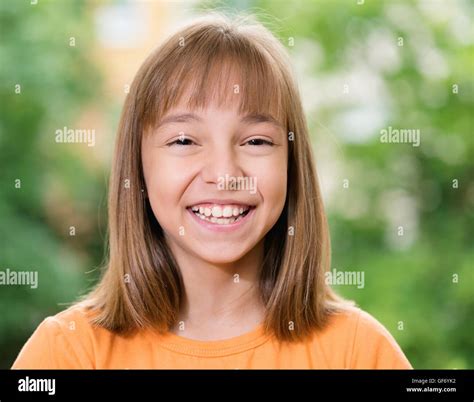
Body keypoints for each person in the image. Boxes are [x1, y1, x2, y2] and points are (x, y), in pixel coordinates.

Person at [12, 13, 411, 369]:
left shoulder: (360, 353)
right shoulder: (67, 354)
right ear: (138, 168)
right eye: (184, 141)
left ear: (292, 164)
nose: (224, 175)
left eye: (256, 141)